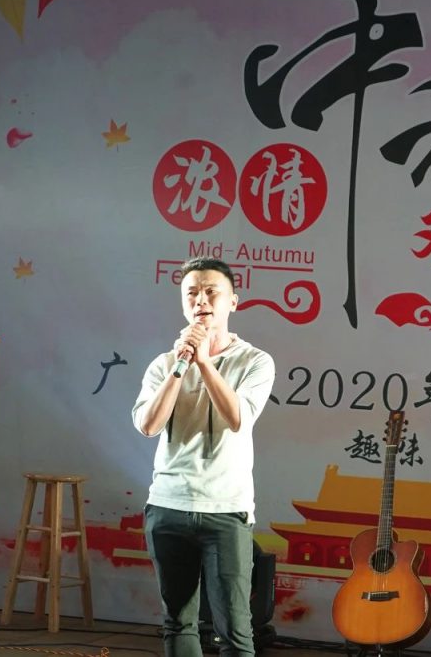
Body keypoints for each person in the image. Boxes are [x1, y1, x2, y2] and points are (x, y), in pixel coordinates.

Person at [132, 257, 275, 656]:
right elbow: (148, 425)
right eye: (192, 293)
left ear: (233, 301)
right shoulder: (164, 364)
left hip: (225, 510)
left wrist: (205, 362)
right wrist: (181, 365)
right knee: (177, 623)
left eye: (212, 291)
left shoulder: (255, 361)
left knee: (235, 631)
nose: (201, 300)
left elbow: (237, 418)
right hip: (168, 506)